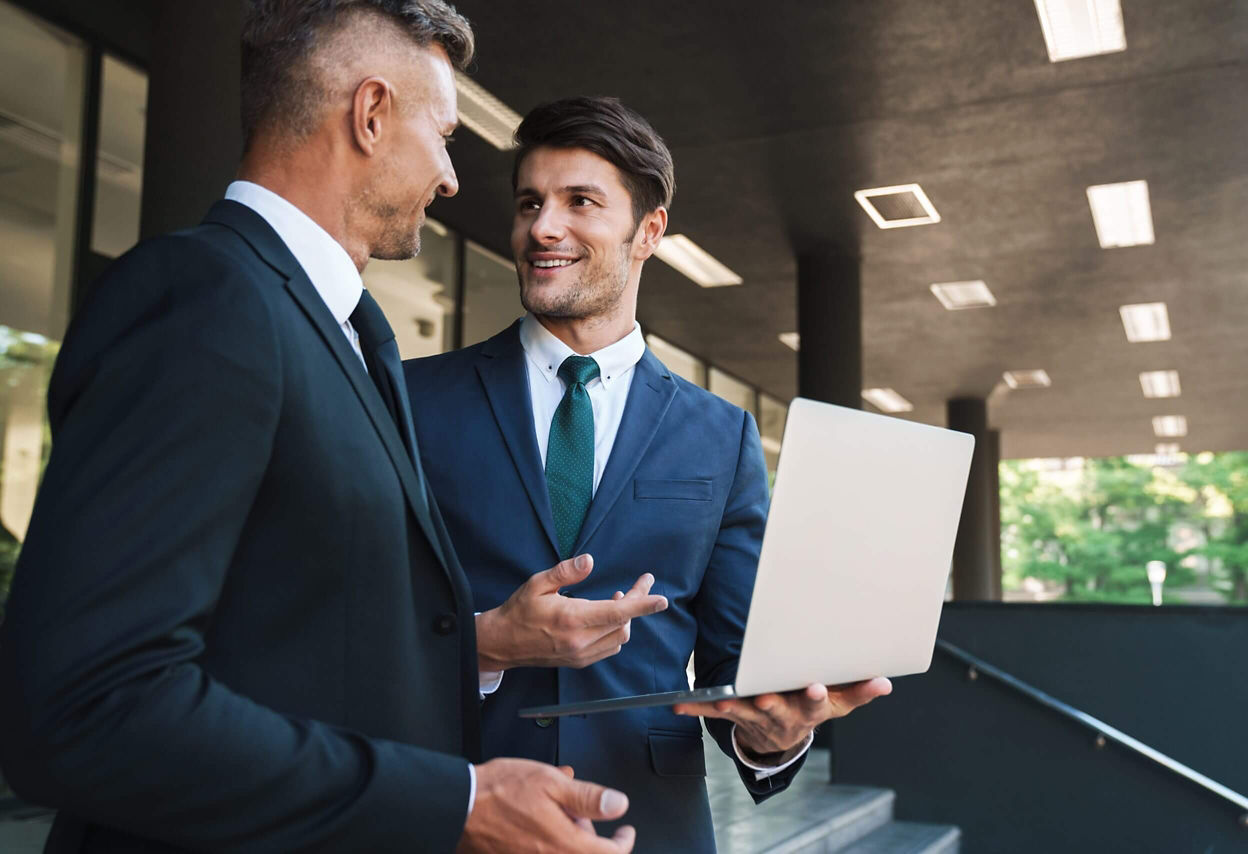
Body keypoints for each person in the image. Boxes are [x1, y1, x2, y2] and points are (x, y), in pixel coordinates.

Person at [0, 6, 644, 853]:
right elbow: (87, 707)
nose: (451, 178)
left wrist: (485, 644)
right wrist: (453, 801)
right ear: (371, 114)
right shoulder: (206, 300)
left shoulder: (351, 335)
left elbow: (290, 632)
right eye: (443, 135)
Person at [403, 96, 893, 852]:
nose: (543, 227)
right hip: (456, 816)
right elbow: (353, 629)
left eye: (580, 202)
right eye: (530, 202)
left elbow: (735, 665)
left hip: (649, 827)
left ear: (649, 231)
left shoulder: (721, 434)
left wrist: (776, 732)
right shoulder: (416, 399)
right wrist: (487, 644)